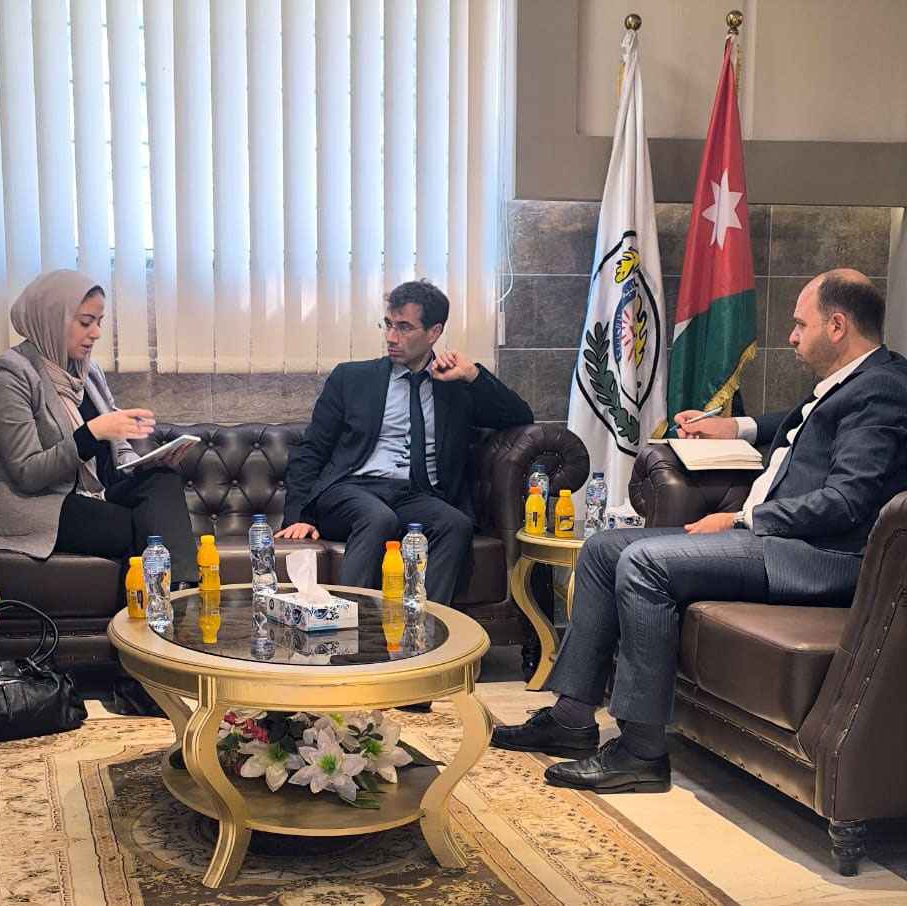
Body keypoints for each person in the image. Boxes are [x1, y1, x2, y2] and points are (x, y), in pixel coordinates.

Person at [491, 268, 907, 793]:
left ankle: (641, 752)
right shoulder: (855, 381)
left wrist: (739, 518)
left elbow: (848, 503)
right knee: (602, 549)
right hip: (777, 542)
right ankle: (572, 719)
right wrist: (733, 426)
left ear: (838, 326)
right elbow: (803, 420)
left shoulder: (883, 390)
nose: (791, 336)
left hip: (817, 556)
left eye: (801, 325)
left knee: (645, 562)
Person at [277, 279, 534, 605]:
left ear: (434, 332)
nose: (391, 337)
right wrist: (298, 516)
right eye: (388, 325)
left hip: (416, 495)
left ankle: (427, 624)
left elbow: (520, 416)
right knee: (379, 518)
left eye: (404, 327)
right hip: (352, 489)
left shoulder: (456, 386)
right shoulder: (352, 378)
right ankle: (350, 624)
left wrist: (473, 376)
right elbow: (310, 449)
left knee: (455, 524)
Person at [0, 269, 197, 585]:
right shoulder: (10, 373)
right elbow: (28, 473)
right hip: (39, 503)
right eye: (85, 322)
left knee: (162, 480)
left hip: (94, 494)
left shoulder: (88, 372)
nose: (95, 333)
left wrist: (146, 463)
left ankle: (178, 595)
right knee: (137, 526)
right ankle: (167, 603)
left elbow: (119, 449)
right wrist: (91, 433)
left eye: (99, 322)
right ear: (52, 319)